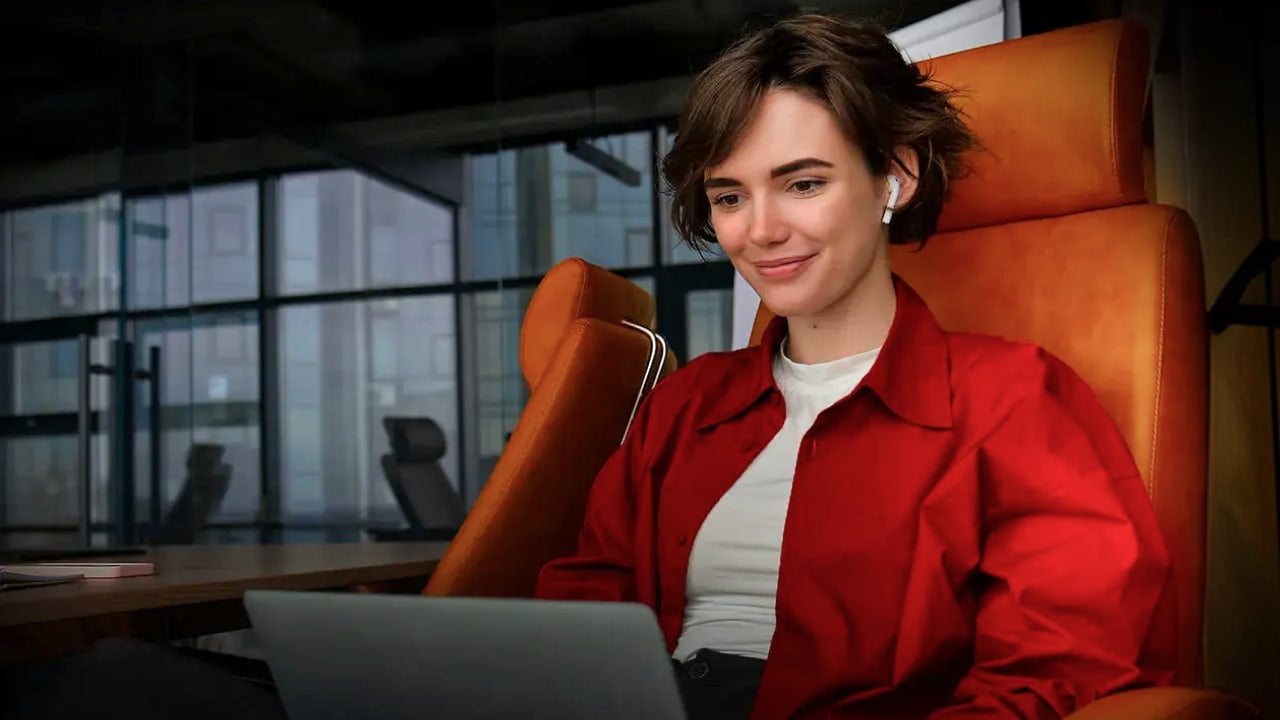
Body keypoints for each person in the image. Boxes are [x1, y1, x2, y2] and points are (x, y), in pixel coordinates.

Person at [533, 11, 1174, 720]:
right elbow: (584, 609)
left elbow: (1061, 665)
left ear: (895, 175)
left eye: (803, 183)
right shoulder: (683, 407)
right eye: (729, 196)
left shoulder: (1013, 399)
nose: (762, 229)